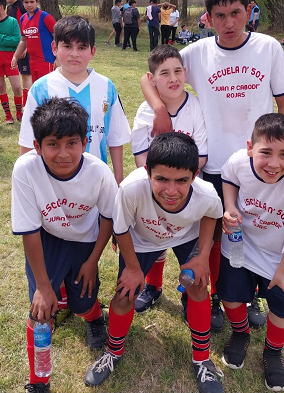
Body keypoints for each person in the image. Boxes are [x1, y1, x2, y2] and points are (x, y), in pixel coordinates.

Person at [140, 0, 284, 332]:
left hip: (256, 166)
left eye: (236, 13)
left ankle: (247, 296)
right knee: (210, 237)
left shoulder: (269, 48)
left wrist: (280, 153)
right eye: (220, 16)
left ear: (249, 11)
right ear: (207, 18)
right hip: (210, 163)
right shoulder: (196, 53)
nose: (228, 23)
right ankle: (211, 296)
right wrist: (159, 110)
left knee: (249, 231)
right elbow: (149, 78)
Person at [84, 132, 225, 393]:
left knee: (197, 287)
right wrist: (133, 268)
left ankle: (202, 358)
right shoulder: (131, 188)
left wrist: (202, 257)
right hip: (142, 240)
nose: (171, 191)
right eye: (161, 179)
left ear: (195, 176)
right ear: (147, 172)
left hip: (185, 235)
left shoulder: (206, 193)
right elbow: (121, 228)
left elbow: (211, 215)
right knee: (125, 294)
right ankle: (112, 352)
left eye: (181, 180)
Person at [12, 97, 118, 393]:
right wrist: (42, 287)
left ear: (85, 142)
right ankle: (39, 382)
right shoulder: (25, 169)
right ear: (37, 146)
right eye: (53, 144)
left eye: (72, 143)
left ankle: (95, 317)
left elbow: (108, 217)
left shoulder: (99, 171)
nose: (63, 153)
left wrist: (92, 261)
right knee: (41, 312)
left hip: (85, 239)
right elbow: (29, 231)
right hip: (46, 238)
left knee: (82, 301)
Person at [218, 113, 284, 392]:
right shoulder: (238, 161)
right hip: (240, 244)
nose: (274, 163)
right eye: (266, 152)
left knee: (283, 305)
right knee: (231, 296)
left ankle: (273, 352)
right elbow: (228, 177)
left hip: (279, 256)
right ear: (250, 148)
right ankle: (241, 333)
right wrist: (230, 206)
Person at [130, 44, 208, 313]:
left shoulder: (195, 106)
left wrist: (180, 182)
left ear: (185, 72)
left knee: (189, 245)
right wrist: (161, 185)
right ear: (152, 79)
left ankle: (189, 294)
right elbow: (141, 158)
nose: (173, 79)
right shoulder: (145, 111)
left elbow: (202, 156)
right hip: (156, 191)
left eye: (177, 71)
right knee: (156, 235)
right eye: (164, 73)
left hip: (188, 193)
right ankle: (153, 286)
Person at [18, 15, 131, 186]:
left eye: (82, 47)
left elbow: (115, 138)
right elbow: (28, 142)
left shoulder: (106, 87)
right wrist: (27, 184)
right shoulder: (41, 88)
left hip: (96, 183)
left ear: (92, 52)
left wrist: (118, 179)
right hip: (52, 185)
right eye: (67, 46)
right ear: (54, 48)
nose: (74, 54)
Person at [12, 0, 56, 83]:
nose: (29, 5)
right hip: (32, 61)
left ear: (37, 2)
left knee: (47, 88)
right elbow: (23, 40)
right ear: (22, 3)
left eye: (32, 2)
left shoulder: (45, 17)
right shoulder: (23, 18)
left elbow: (58, 37)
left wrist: (59, 58)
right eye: (26, 2)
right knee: (37, 88)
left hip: (46, 60)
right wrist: (15, 56)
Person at [4, 0, 32, 108]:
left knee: (26, 75)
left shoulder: (21, 6)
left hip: (24, 47)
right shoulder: (9, 8)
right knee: (23, 74)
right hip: (16, 47)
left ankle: (28, 104)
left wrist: (25, 47)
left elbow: (27, 26)